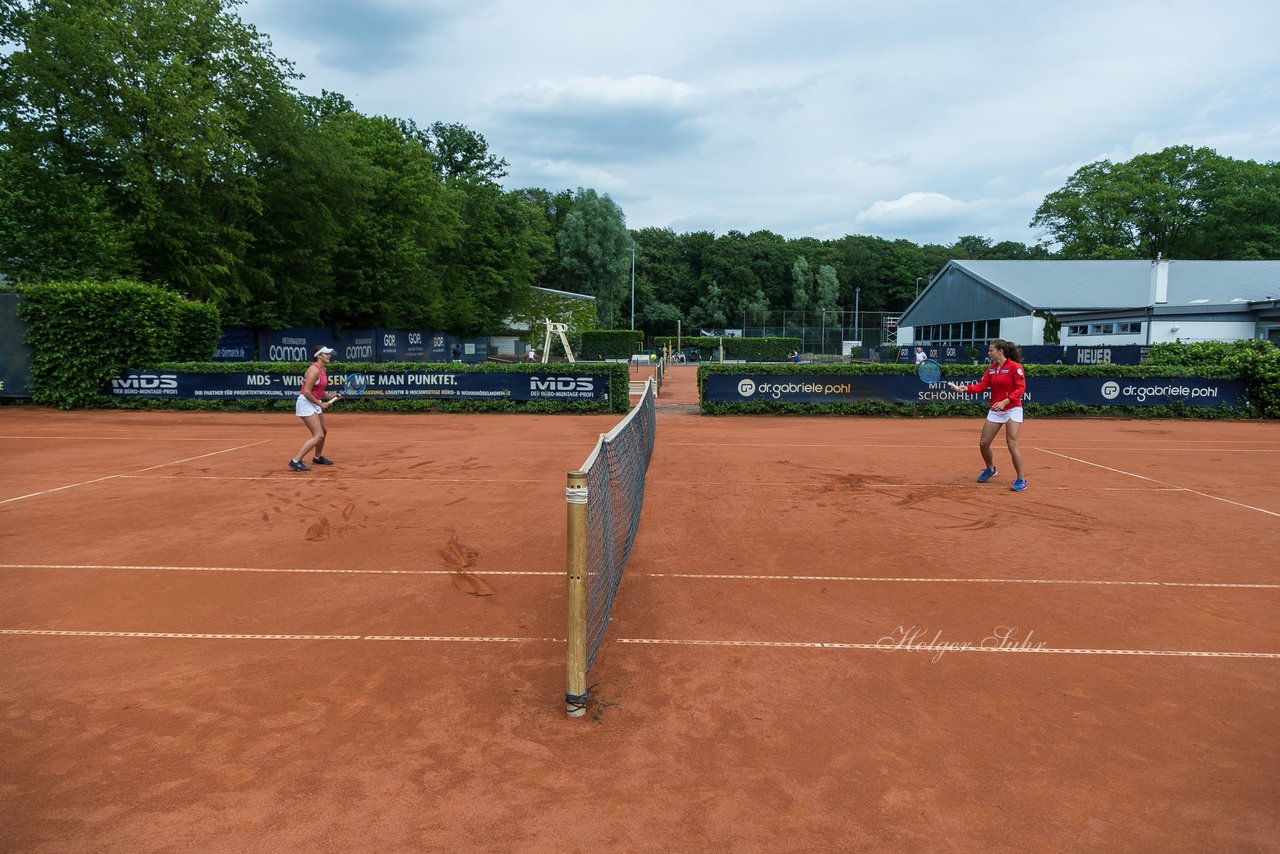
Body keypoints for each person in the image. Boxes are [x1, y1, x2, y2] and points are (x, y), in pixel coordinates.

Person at [948, 339, 1028, 492]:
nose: (989, 353)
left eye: (991, 350)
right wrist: (965, 389)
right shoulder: (991, 369)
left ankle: (1021, 479)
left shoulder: (1015, 368)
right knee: (984, 443)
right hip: (996, 410)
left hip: (1012, 408)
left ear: (1000, 351)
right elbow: (981, 386)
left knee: (1012, 445)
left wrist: (1005, 402)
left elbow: (1020, 389)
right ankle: (990, 468)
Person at [288, 345, 339, 472]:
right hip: (305, 403)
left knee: (324, 431)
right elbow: (306, 392)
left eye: (329, 354)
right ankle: (295, 461)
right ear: (318, 355)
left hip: (314, 402)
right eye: (326, 354)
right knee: (318, 435)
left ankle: (318, 457)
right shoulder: (313, 370)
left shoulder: (323, 370)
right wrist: (320, 404)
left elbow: (320, 390)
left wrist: (330, 396)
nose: (329, 356)